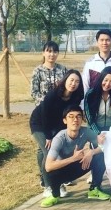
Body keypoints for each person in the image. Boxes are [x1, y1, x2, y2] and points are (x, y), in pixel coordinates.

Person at [40, 106, 110, 208]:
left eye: (78, 116)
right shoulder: (59, 138)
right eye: (71, 117)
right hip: (60, 172)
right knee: (49, 169)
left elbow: (103, 146)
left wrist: (91, 152)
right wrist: (73, 158)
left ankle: (94, 189)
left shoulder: (86, 131)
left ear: (82, 119)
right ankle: (55, 195)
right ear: (65, 120)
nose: (75, 120)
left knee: (100, 155)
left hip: (77, 167)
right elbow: (48, 166)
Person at [30, 69, 85, 198]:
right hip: (39, 123)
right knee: (49, 151)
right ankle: (50, 186)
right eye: (71, 80)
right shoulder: (53, 94)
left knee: (42, 151)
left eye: (77, 81)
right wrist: (49, 136)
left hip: (57, 125)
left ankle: (45, 180)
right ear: (65, 80)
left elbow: (69, 115)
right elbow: (45, 115)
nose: (73, 84)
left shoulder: (76, 97)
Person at [82, 29, 111, 94]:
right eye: (102, 40)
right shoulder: (90, 63)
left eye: (107, 40)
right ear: (97, 42)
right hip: (94, 99)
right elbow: (85, 86)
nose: (104, 43)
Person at [83, 66, 111, 134]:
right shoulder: (90, 94)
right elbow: (89, 118)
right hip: (95, 129)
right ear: (101, 78)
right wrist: (98, 134)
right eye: (106, 80)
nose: (107, 84)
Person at [30, 41, 67, 106]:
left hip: (60, 107)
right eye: (49, 51)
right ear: (43, 53)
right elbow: (34, 92)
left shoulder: (63, 70)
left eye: (55, 52)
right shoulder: (38, 71)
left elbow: (67, 89)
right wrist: (47, 102)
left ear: (58, 53)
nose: (52, 54)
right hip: (43, 107)